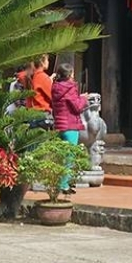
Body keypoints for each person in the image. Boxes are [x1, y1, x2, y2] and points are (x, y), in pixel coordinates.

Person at [49, 63, 87, 193]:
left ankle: (58, 182)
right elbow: (77, 107)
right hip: (70, 125)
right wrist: (84, 98)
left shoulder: (55, 87)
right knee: (69, 157)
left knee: (61, 156)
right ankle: (63, 185)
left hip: (59, 125)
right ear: (70, 74)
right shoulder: (70, 87)